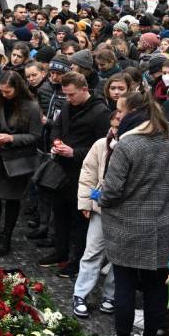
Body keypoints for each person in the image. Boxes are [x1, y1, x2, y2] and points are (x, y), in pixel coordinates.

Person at [99, 92, 169, 336]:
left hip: (126, 225)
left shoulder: (128, 145)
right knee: (156, 287)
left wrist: (99, 197)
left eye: (120, 111)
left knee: (125, 286)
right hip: (161, 224)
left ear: (133, 112)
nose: (117, 116)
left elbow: (111, 192)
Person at [38, 71, 110, 277]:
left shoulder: (100, 113)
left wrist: (74, 152)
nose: (68, 99)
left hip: (83, 173)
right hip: (62, 172)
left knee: (80, 222)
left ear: (84, 89)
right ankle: (60, 252)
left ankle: (76, 261)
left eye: (71, 95)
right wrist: (57, 143)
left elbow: (102, 148)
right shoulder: (69, 106)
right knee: (60, 214)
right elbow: (57, 127)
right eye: (66, 95)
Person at [0, 71, 42, 256]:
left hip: (15, 159)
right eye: (2, 91)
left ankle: (6, 237)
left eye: (8, 92)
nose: (4, 95)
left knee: (12, 199)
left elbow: (35, 136)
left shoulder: (31, 107)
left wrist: (11, 138)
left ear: (17, 88)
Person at [73, 110, 119, 320]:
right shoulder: (101, 144)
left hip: (123, 211)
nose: (115, 131)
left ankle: (111, 295)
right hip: (101, 208)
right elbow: (88, 172)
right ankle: (80, 294)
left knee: (118, 257)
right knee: (92, 251)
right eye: (113, 126)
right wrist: (86, 202)